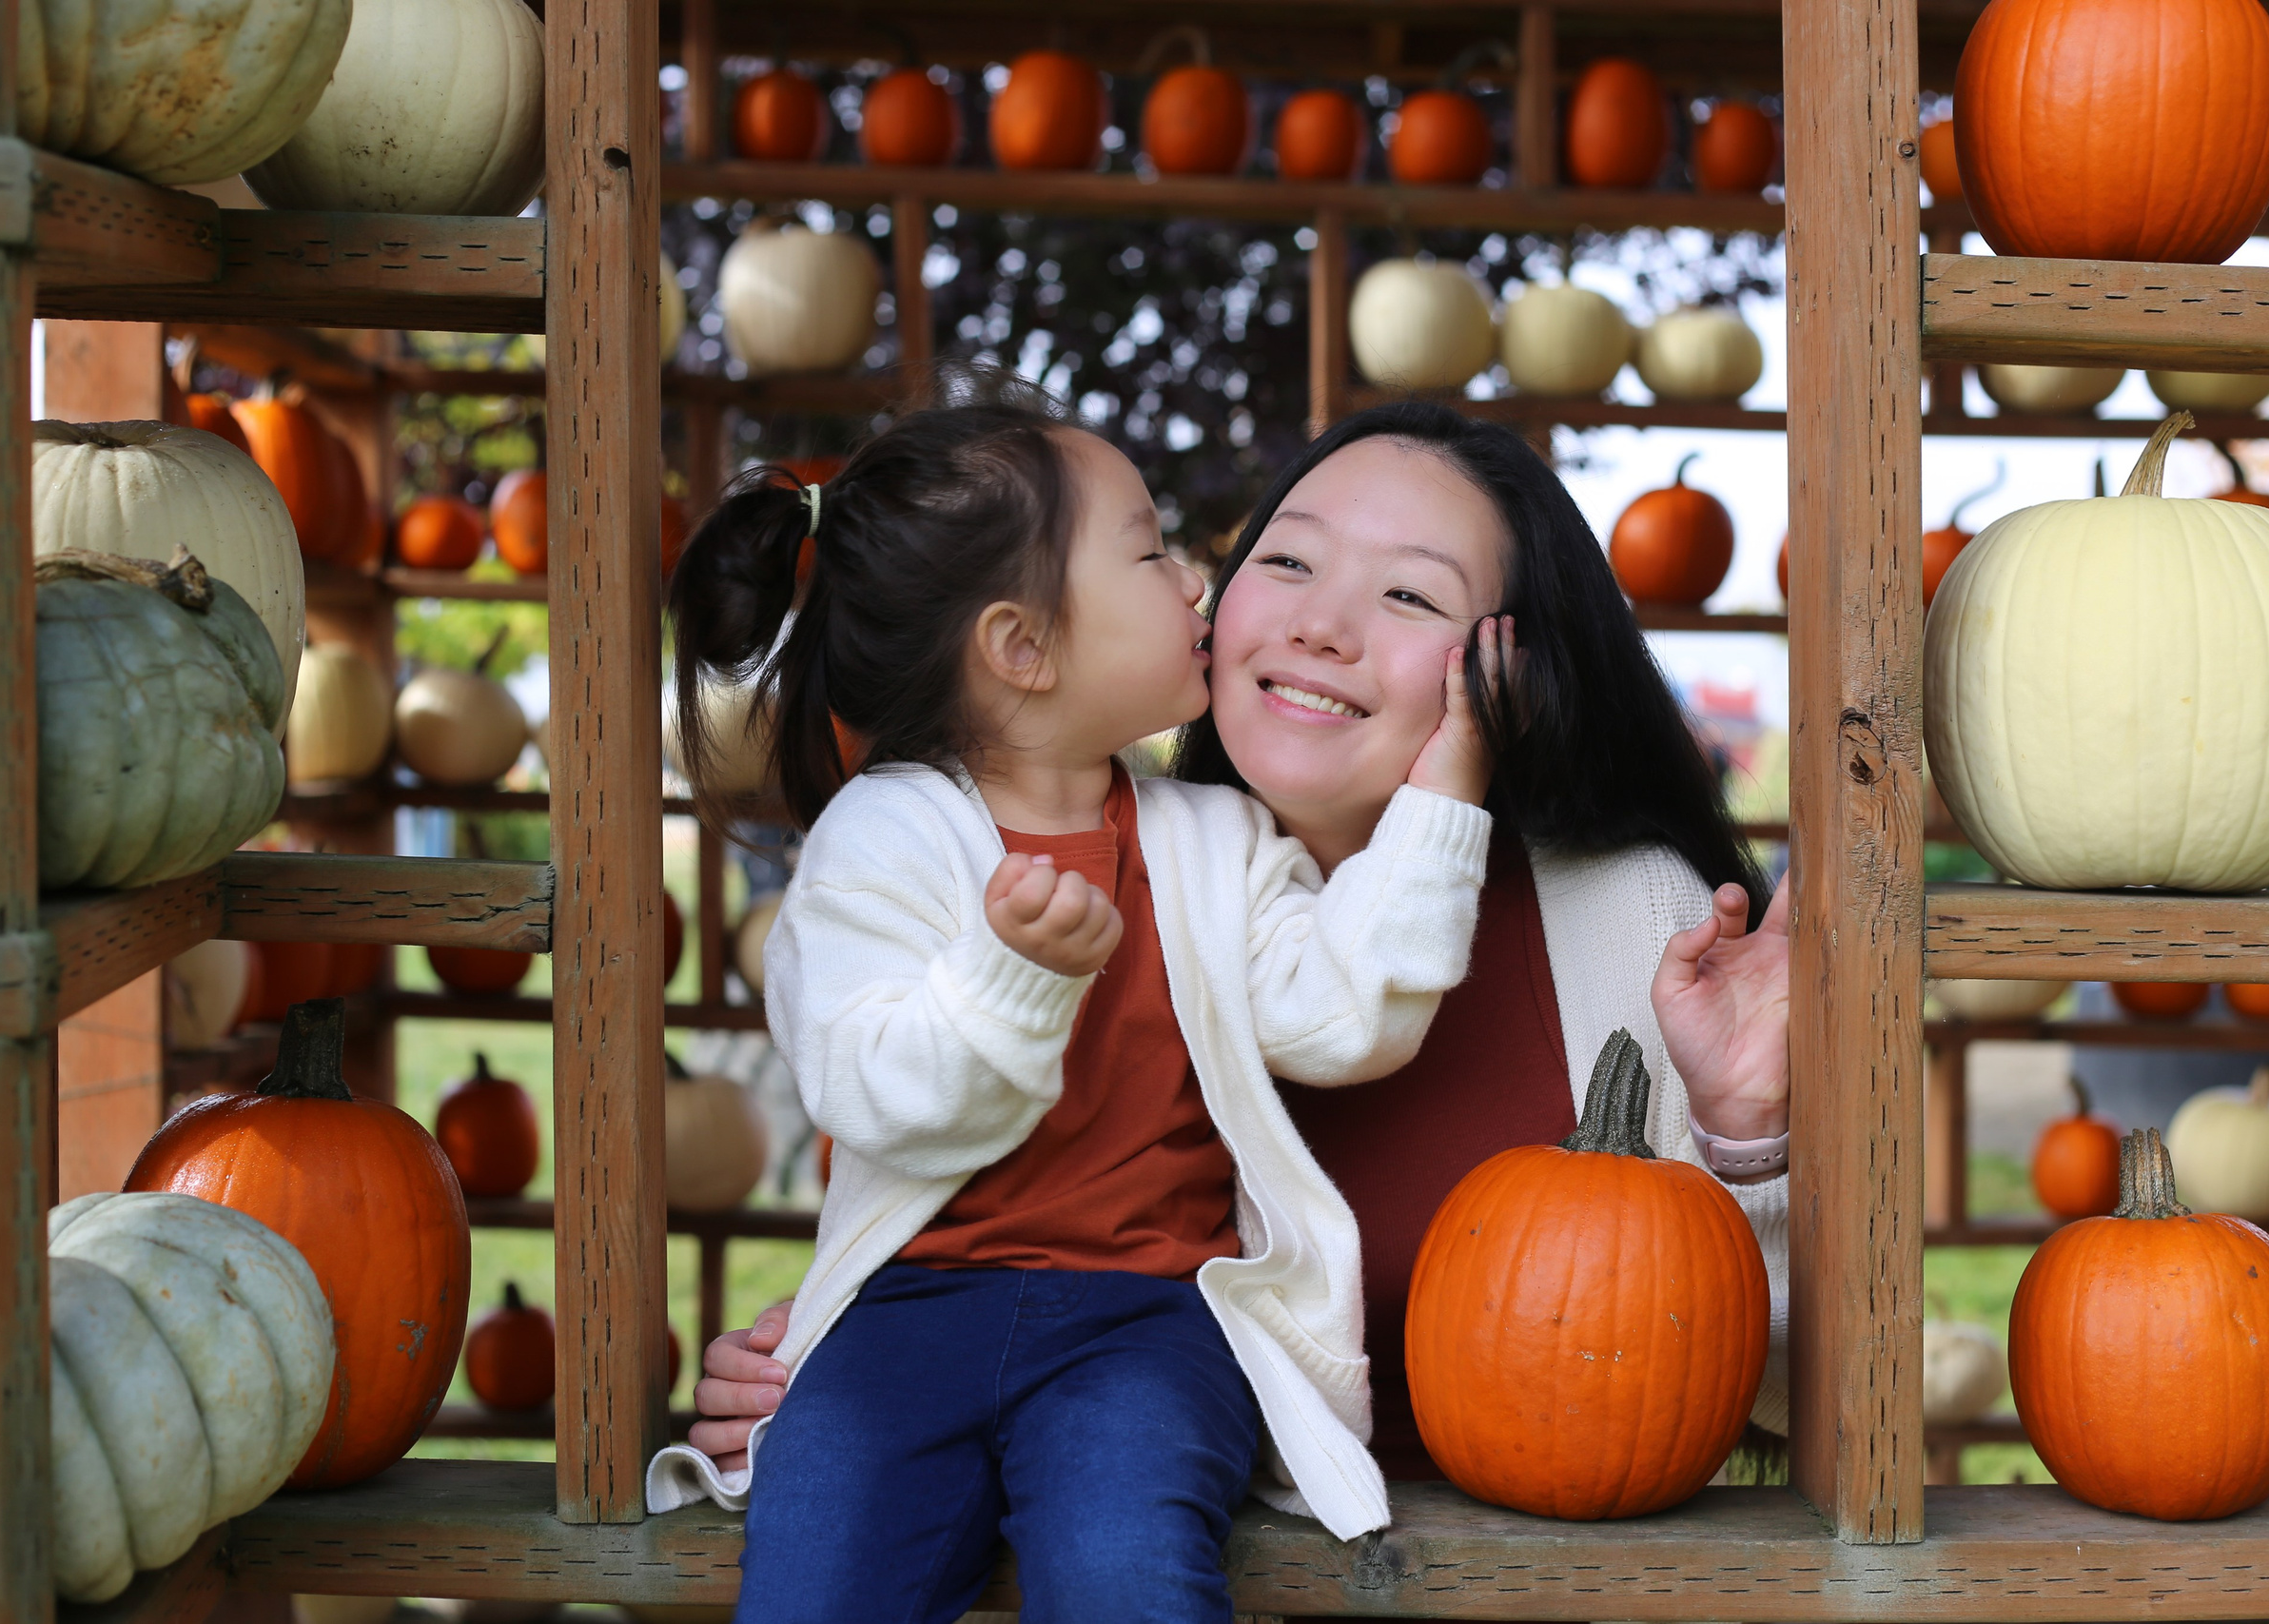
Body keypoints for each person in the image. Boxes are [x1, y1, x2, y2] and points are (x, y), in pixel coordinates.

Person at [688, 401, 1792, 1491]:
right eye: (1290, 562)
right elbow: (994, 1246)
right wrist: (834, 1347)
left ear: (1520, 673)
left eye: (1409, 594)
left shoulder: (1634, 917)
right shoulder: (1078, 888)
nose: (1321, 625)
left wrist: (1743, 1135)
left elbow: (1781, 1394)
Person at [644, 395, 1505, 1624]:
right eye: (1150, 552)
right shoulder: (877, 843)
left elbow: (1341, 1016)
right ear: (1023, 646)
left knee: (1124, 1564)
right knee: (816, 1561)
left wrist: (1445, 799)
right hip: (911, 1307)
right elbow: (870, 1088)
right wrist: (1015, 975)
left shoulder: (1218, 842)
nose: (1197, 580)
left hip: (1148, 1324)